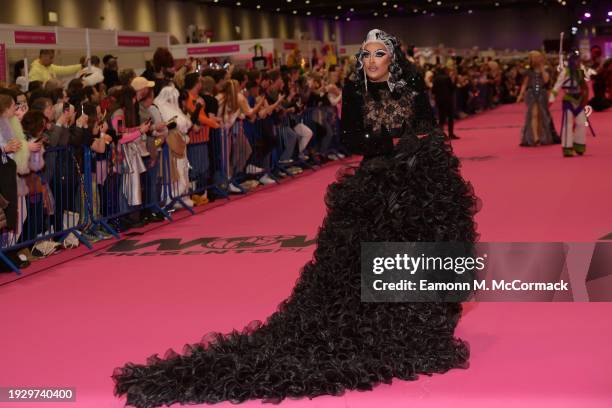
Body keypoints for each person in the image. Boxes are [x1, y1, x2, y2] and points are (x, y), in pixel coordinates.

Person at [112, 29, 479, 407]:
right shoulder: (356, 89)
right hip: (374, 185)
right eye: (365, 54)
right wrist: (391, 141)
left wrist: (413, 145)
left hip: (412, 184)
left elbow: (428, 128)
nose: (370, 60)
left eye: (378, 54)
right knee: (356, 268)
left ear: (392, 57)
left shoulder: (411, 86)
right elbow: (352, 139)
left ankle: (415, 316)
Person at [549, 50, 590, 157]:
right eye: (576, 60)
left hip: (579, 101)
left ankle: (579, 145)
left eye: (578, 60)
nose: (578, 62)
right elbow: (557, 86)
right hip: (568, 101)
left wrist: (585, 98)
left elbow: (584, 87)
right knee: (568, 125)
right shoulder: (565, 72)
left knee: (581, 123)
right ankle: (567, 147)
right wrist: (551, 100)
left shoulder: (580, 72)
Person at [516, 51, 558, 146]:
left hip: (542, 94)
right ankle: (535, 137)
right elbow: (524, 84)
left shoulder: (546, 69)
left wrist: (542, 68)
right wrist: (520, 95)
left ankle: (541, 136)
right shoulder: (528, 71)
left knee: (542, 116)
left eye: (539, 57)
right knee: (534, 114)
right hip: (531, 94)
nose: (538, 59)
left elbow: (546, 80)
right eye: (535, 57)